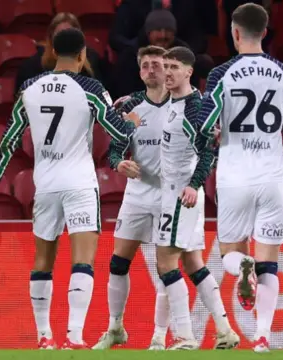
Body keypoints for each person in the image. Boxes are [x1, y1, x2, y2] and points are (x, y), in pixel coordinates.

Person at [0, 28, 140, 350]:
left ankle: (43, 337)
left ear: (51, 53)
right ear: (82, 55)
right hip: (79, 182)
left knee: (42, 261)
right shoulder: (91, 89)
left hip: (46, 185)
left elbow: (8, 141)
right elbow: (117, 132)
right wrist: (132, 122)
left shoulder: (29, 88)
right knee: (83, 261)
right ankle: (74, 336)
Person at [194, 3, 283, 353]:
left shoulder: (221, 74)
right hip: (273, 176)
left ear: (234, 33)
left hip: (234, 174)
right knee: (269, 262)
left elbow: (205, 124)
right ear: (265, 32)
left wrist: (214, 135)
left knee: (231, 252)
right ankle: (262, 338)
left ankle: (241, 266)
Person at [157, 46, 239, 350]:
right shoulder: (176, 103)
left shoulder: (193, 108)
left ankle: (185, 336)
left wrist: (193, 183)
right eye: (165, 66)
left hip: (182, 194)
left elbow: (207, 150)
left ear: (189, 72)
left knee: (165, 263)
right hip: (181, 193)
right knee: (192, 263)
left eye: (174, 67)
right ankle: (225, 330)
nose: (167, 72)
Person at [92, 45, 172, 350]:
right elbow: (114, 149)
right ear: (140, 71)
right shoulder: (128, 106)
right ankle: (115, 327)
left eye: (157, 64)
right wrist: (119, 163)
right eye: (146, 65)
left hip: (169, 197)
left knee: (167, 268)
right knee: (117, 262)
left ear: (168, 69)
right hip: (138, 194)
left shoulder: (184, 104)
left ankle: (159, 336)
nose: (151, 69)